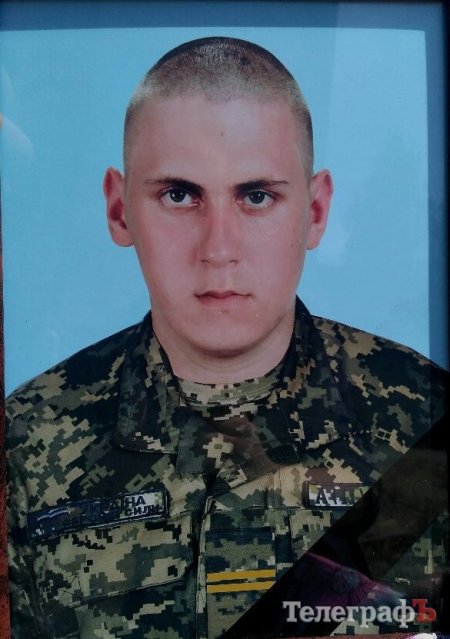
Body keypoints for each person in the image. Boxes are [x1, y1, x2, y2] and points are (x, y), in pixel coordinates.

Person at [6, 37, 447, 639]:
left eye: (256, 196)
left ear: (316, 212)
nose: (218, 250)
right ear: (119, 210)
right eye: (179, 195)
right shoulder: (26, 439)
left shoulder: (425, 417)